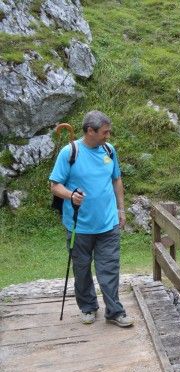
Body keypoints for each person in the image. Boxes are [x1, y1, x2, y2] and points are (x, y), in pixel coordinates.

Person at [49, 111, 134, 327]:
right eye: (105, 132)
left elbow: (116, 180)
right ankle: (87, 307)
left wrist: (121, 210)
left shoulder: (109, 150)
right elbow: (54, 185)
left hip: (108, 224)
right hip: (79, 226)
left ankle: (114, 312)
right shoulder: (70, 152)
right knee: (82, 270)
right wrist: (70, 195)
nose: (108, 135)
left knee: (110, 269)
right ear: (90, 131)